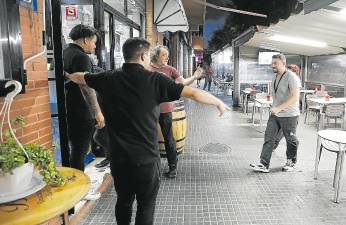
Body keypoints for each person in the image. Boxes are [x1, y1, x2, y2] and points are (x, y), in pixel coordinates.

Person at [65, 38, 228, 225]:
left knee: (124, 202)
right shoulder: (155, 80)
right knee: (146, 205)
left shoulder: (107, 78)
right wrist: (218, 102)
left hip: (119, 159)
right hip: (147, 160)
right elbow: (193, 93)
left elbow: (81, 77)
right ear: (142, 55)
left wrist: (69, 75)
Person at [149, 45, 203, 178]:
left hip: (165, 110)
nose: (167, 58)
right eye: (164, 55)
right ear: (156, 56)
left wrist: (194, 77)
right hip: (149, 110)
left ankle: (172, 167)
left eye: (167, 55)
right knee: (150, 139)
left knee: (169, 139)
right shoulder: (146, 69)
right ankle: (152, 167)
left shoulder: (170, 70)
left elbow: (182, 83)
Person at [63, 24, 105, 171]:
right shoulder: (81, 56)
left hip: (69, 104)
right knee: (79, 150)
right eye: (94, 42)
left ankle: (73, 179)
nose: (94, 46)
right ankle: (78, 186)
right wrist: (97, 112)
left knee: (75, 147)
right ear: (86, 40)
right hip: (81, 108)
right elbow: (86, 87)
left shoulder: (64, 52)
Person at [250, 54, 301, 173]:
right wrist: (274, 106)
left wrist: (279, 108)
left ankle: (291, 162)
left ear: (283, 63)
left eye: (275, 63)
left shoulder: (291, 77)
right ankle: (263, 164)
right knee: (269, 137)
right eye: (272, 63)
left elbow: (295, 97)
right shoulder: (275, 77)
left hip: (290, 115)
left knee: (291, 139)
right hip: (275, 114)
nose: (272, 65)